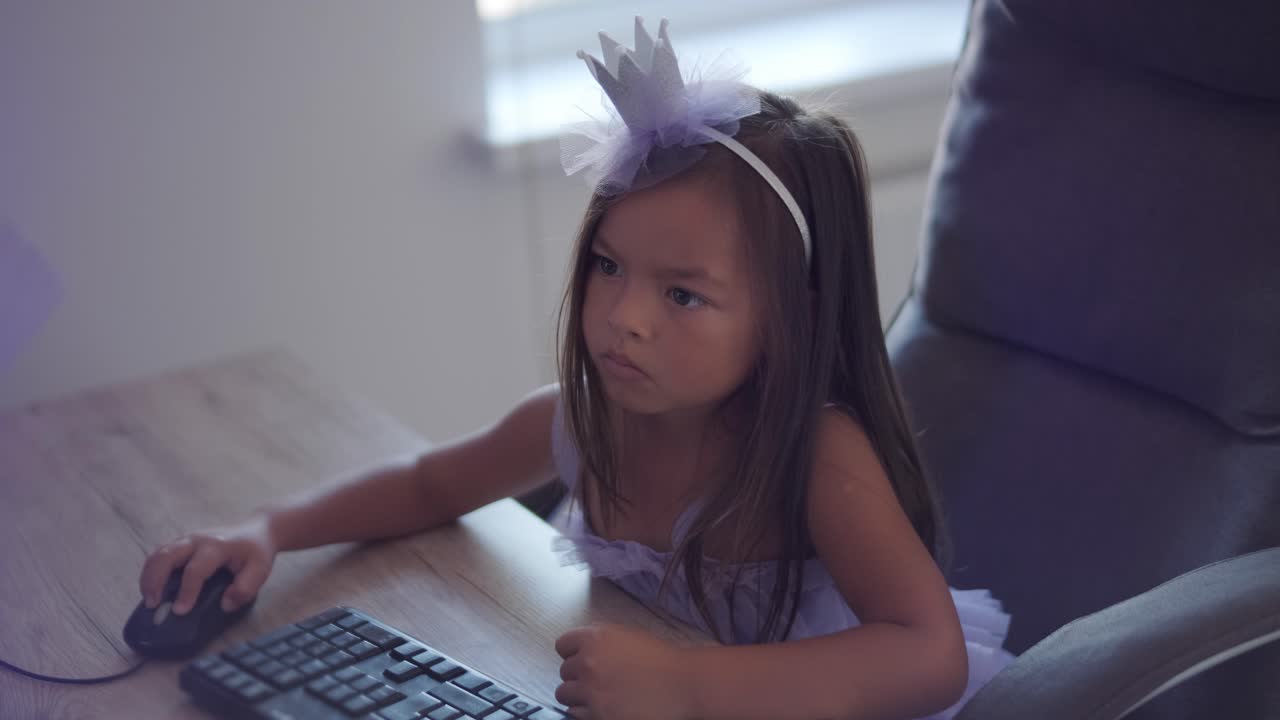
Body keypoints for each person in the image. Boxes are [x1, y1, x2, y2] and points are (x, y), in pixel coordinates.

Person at [138, 17, 1014, 720]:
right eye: (607, 265)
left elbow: (924, 653)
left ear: (793, 320)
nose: (623, 317)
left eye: (681, 296)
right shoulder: (578, 425)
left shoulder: (815, 459)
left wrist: (689, 689)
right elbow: (426, 483)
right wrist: (266, 531)